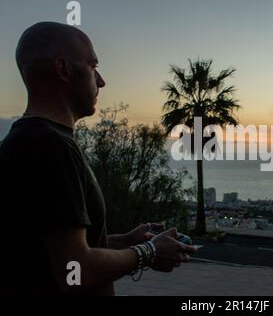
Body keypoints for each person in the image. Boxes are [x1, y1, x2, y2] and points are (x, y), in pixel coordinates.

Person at [0, 22, 197, 295]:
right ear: (63, 69)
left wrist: (124, 242)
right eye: (93, 66)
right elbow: (74, 269)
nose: (101, 81)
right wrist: (148, 251)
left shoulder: (31, 140)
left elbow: (52, 248)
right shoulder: (48, 146)